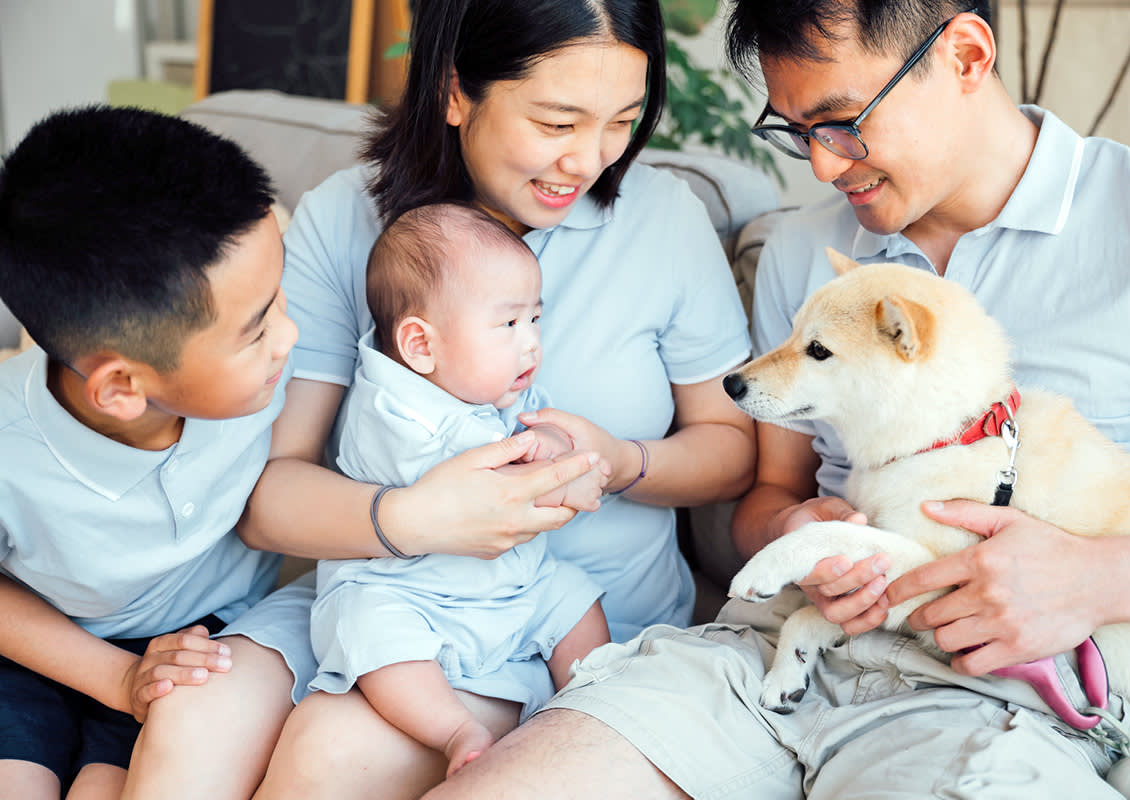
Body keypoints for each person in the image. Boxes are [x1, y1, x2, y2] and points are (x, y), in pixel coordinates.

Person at [414, 1, 1130, 798]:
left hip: (1010, 692)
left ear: (964, 56)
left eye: (840, 121)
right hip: (773, 650)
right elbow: (768, 499)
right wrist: (790, 528)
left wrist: (1098, 579)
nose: (822, 167)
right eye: (795, 130)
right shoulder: (805, 252)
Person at [243, 0, 756, 795]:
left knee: (326, 751)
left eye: (622, 120)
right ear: (455, 91)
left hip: (582, 627)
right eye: (557, 124)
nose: (589, 161)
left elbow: (730, 449)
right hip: (391, 600)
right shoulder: (349, 219)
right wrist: (417, 521)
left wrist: (619, 462)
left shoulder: (663, 221)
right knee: (199, 702)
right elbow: (270, 492)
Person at [0, 107, 317, 800]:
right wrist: (112, 677)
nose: (289, 336)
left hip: (193, 648)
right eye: (256, 328)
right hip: (38, 650)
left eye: (278, 295)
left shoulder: (265, 371)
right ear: (123, 388)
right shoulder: (8, 449)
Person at [309, 202, 609, 777]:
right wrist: (567, 476)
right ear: (421, 346)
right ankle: (455, 730)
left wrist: (551, 438)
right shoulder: (391, 412)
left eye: (535, 320)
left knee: (575, 599)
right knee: (369, 632)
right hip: (412, 595)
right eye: (508, 325)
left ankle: (592, 703)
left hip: (512, 584)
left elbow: (532, 423)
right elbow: (497, 489)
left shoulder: (482, 382)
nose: (530, 345)